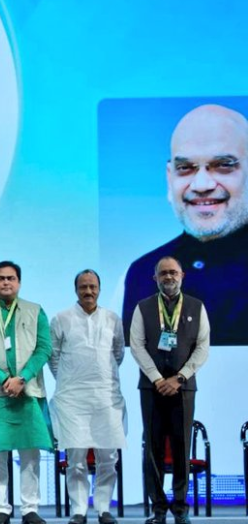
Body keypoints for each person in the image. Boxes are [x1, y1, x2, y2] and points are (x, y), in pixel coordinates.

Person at [123, 104, 248, 346]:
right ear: (169, 177)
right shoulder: (140, 274)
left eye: (223, 165)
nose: (201, 185)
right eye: (185, 168)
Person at [0, 261, 52, 524]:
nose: (6, 282)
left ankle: (30, 509)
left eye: (11, 278)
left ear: (19, 282)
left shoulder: (35, 310)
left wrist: (22, 378)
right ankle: (1, 508)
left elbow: (44, 349)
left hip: (28, 392)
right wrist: (5, 379)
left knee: (30, 454)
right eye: (1, 278)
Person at [129, 257, 209, 524]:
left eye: (173, 272)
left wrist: (180, 378)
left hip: (184, 389)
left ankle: (181, 509)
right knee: (152, 449)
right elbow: (137, 346)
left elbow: (202, 348)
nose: (168, 277)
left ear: (182, 275)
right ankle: (159, 510)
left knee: (181, 447)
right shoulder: (143, 307)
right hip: (151, 389)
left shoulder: (197, 307)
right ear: (155, 278)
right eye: (163, 273)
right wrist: (156, 378)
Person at [49, 271, 126, 524]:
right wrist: (70, 380)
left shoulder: (113, 319)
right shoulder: (61, 318)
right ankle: (79, 510)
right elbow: (53, 356)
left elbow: (118, 354)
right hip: (72, 399)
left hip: (106, 396)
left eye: (93, 286)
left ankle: (103, 508)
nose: (88, 291)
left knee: (108, 457)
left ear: (100, 289)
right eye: (83, 287)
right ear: (76, 290)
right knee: (76, 459)